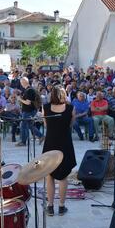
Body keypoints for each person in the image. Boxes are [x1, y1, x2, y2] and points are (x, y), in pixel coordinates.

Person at [42, 86, 77, 216]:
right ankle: (61, 207)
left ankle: (50, 206)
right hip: (65, 143)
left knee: (49, 175)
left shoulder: (45, 108)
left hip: (50, 143)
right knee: (63, 177)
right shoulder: (71, 108)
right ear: (64, 95)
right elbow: (70, 125)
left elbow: (46, 125)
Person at [16, 77, 44, 147]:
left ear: (23, 82)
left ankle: (23, 142)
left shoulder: (29, 90)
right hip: (28, 111)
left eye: (21, 82)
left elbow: (28, 103)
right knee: (29, 125)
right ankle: (41, 136)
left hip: (29, 111)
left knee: (23, 126)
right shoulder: (28, 90)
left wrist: (20, 99)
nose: (21, 84)